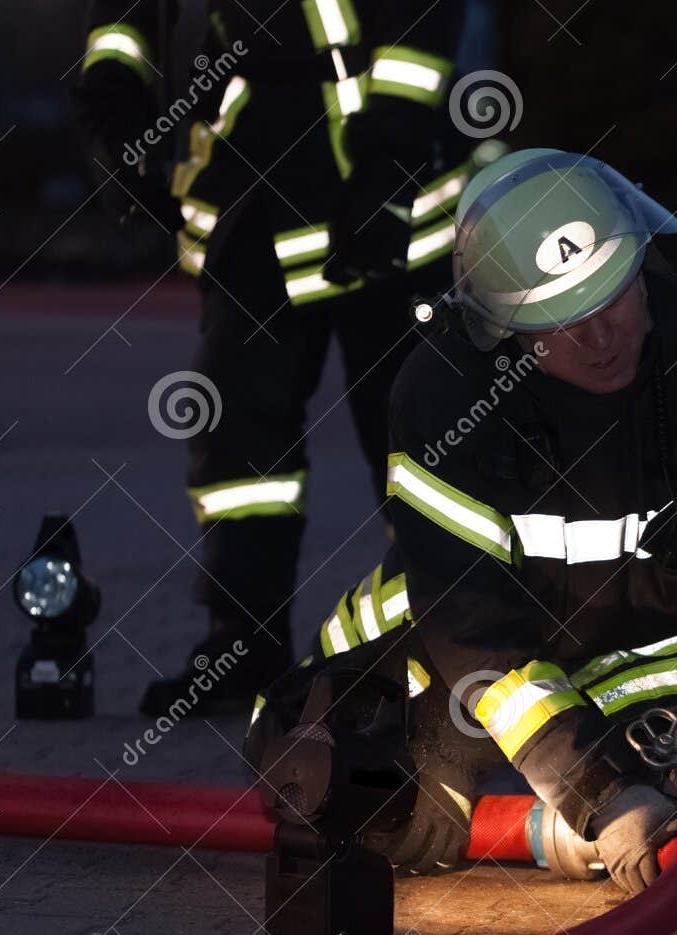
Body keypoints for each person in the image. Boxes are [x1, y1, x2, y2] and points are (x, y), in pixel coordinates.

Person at [249, 148, 677, 892]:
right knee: (349, 786)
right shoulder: (442, 399)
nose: (601, 338)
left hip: (665, 658)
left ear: (642, 267)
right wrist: (601, 793)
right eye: (561, 323)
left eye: (614, 298)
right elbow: (471, 624)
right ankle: (512, 803)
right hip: (472, 658)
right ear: (500, 330)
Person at [73, 0, 503, 715]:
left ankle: (455, 645)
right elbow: (126, 19)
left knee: (418, 432)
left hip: (388, 208)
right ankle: (242, 648)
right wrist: (116, 116)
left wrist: (391, 157)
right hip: (254, 198)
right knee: (238, 447)